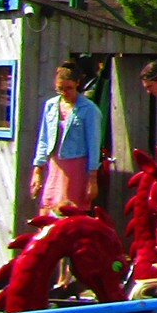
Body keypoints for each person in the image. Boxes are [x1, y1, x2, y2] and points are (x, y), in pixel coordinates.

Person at [32, 62, 104, 213]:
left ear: (77, 84)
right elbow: (43, 139)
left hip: (76, 166)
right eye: (60, 89)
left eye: (69, 88)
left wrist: (92, 179)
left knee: (70, 210)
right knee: (47, 207)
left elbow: (94, 145)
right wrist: (38, 170)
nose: (64, 93)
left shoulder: (89, 109)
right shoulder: (51, 106)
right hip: (55, 164)